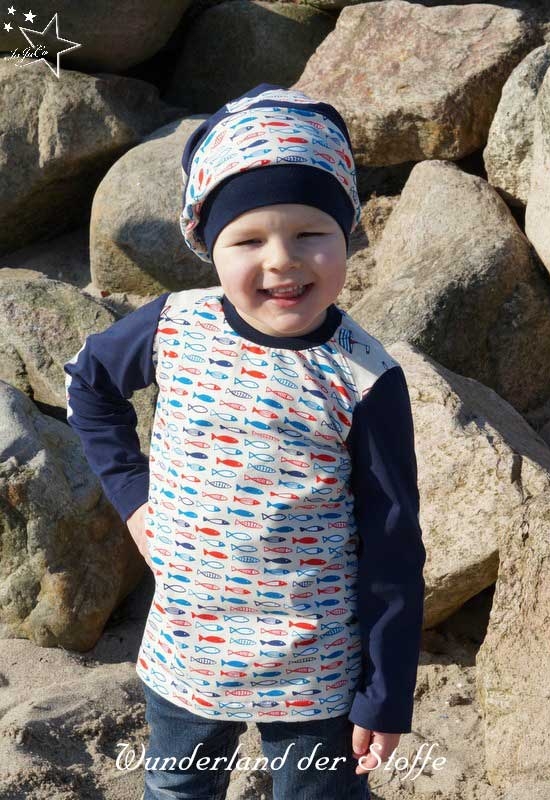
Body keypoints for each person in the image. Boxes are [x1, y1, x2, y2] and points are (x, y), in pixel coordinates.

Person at [64, 83, 426, 800]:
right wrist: (134, 499)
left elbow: (393, 545)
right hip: (188, 645)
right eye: (249, 239)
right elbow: (88, 386)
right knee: (176, 788)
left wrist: (385, 694)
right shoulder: (175, 325)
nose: (282, 260)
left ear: (348, 235)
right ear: (208, 245)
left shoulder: (364, 377)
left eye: (310, 233)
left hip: (315, 665)